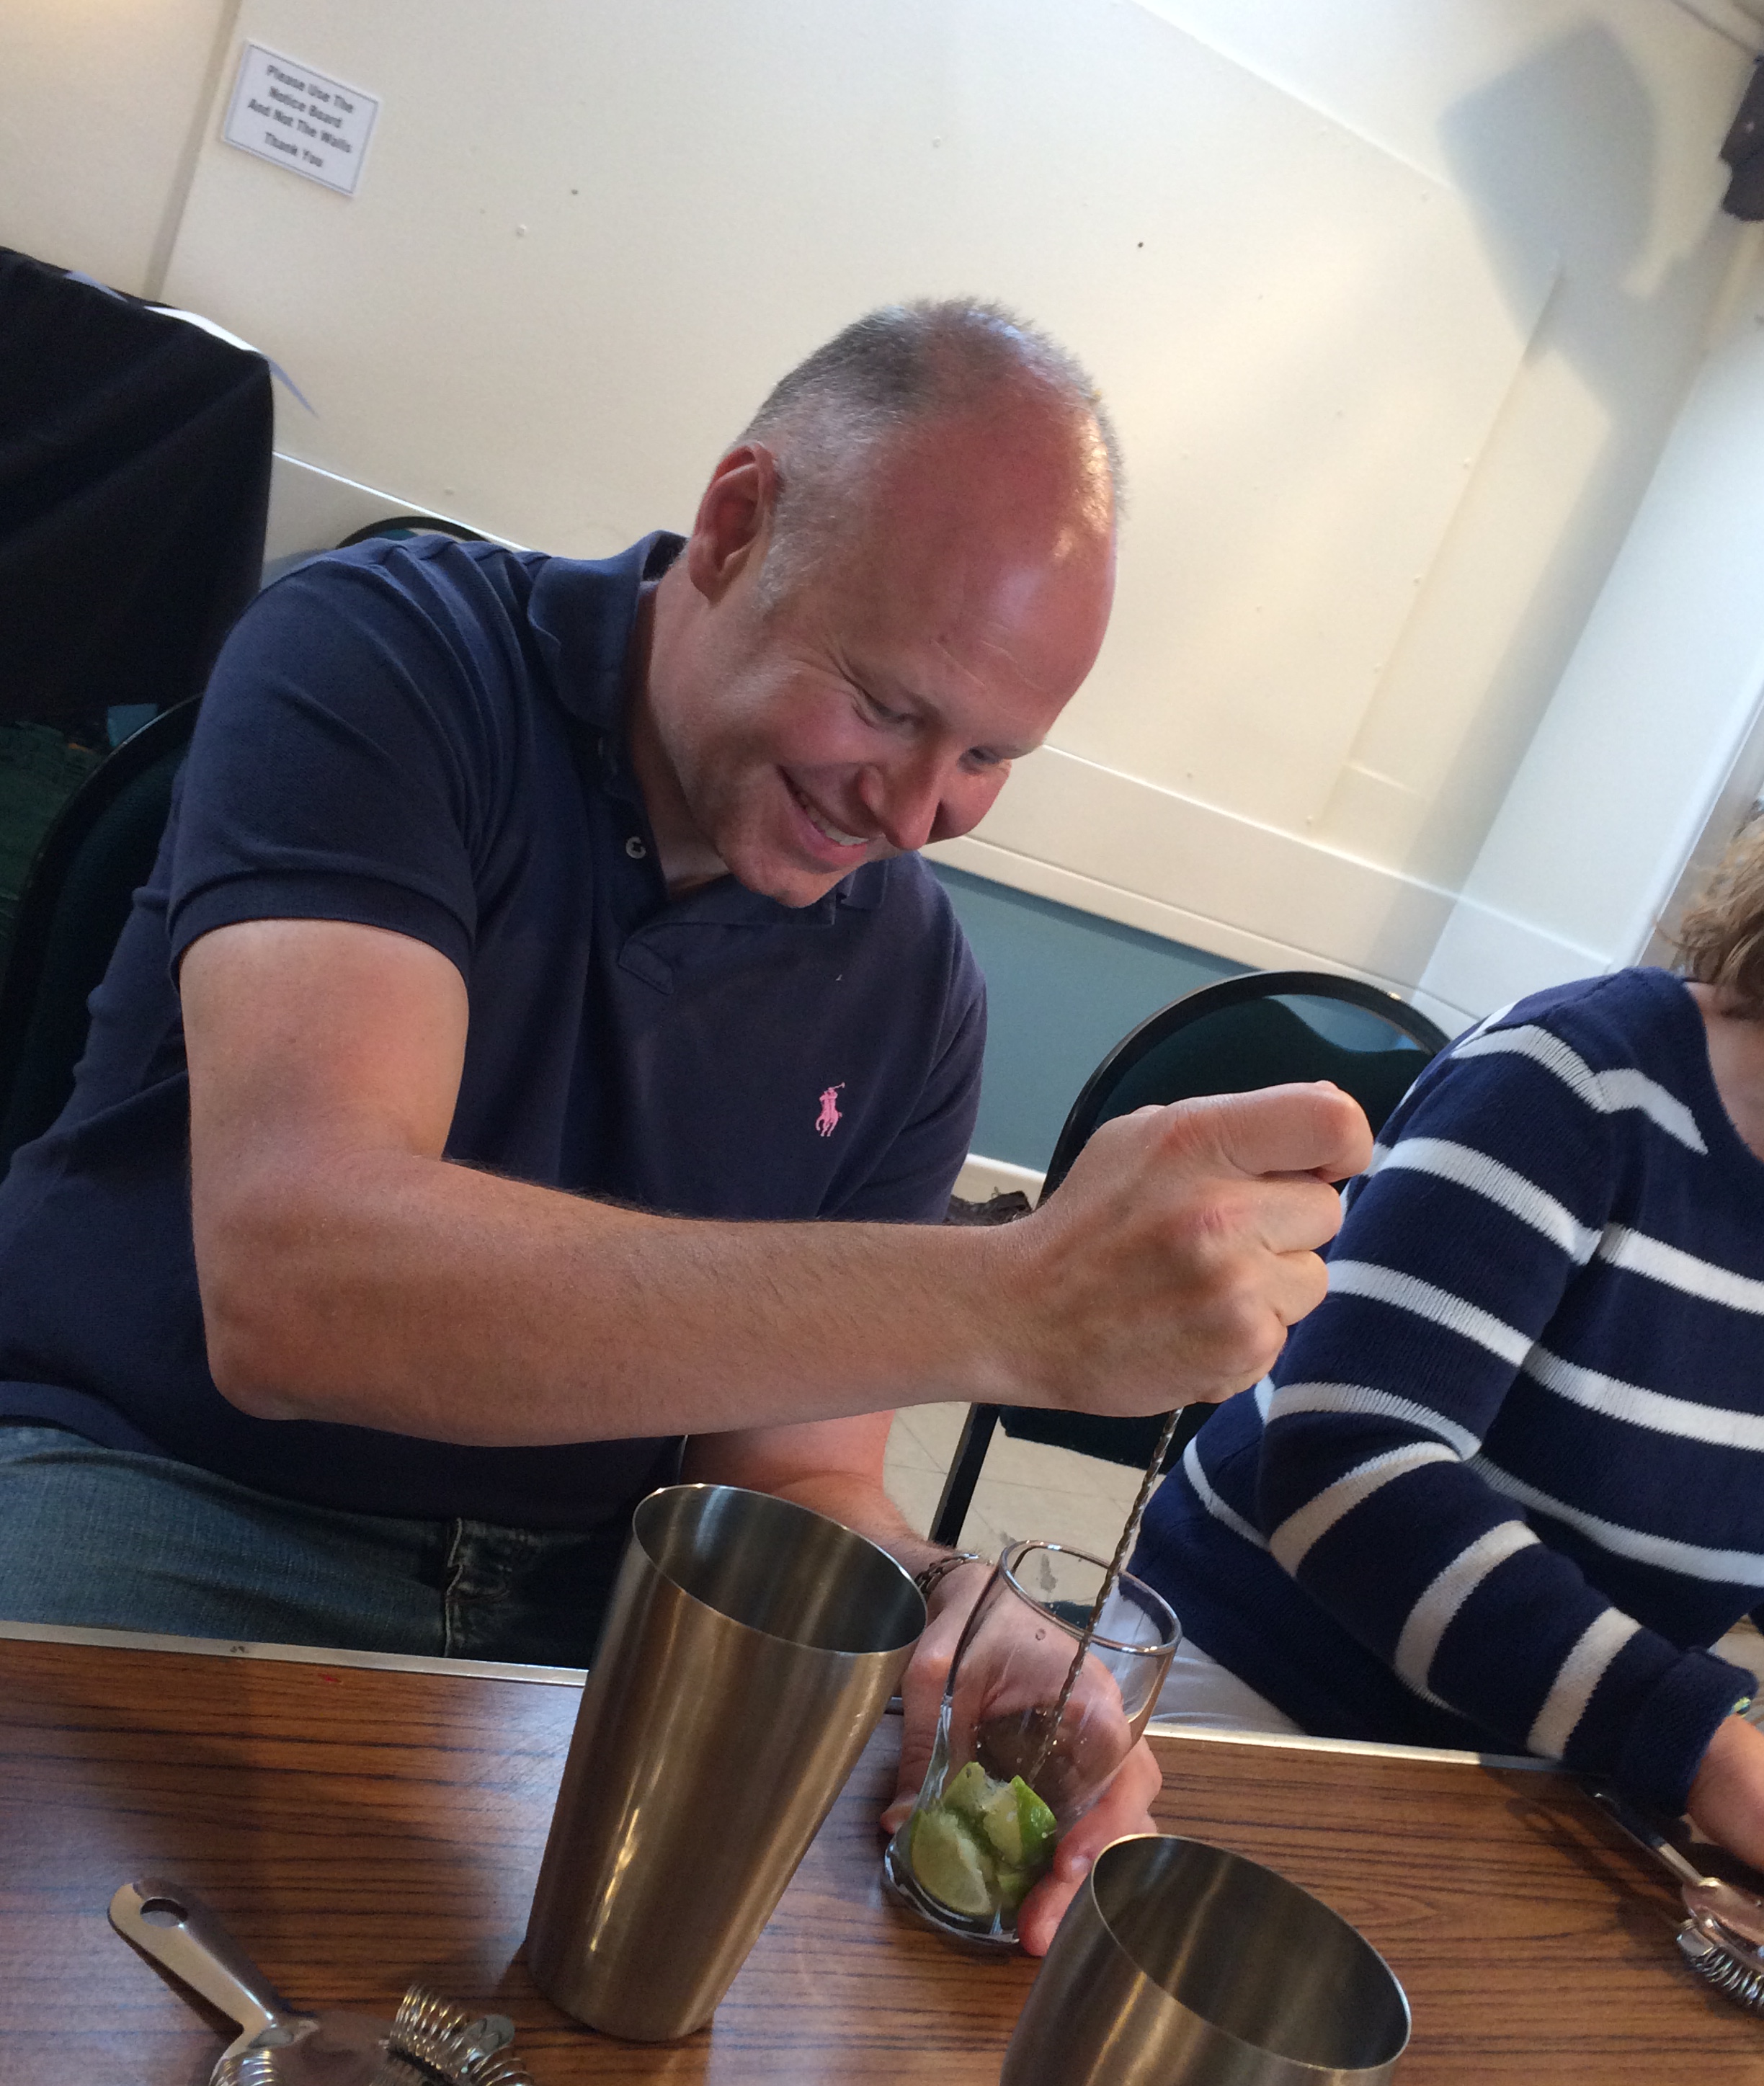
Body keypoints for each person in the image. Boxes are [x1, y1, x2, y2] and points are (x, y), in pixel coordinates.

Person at [0, 300, 1369, 1951]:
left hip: (596, 1596)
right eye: (886, 706)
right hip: (161, 1484)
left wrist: (960, 1605)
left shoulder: (913, 980)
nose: (916, 811)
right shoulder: (390, 658)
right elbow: (302, 1287)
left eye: (990, 756)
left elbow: (789, 1469)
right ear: (735, 527)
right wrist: (1016, 1302)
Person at [1132, 819, 1764, 1855]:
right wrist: (1701, 1746)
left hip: (1557, 1771)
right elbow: (1351, 1464)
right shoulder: (1579, 1077)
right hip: (1270, 1691)